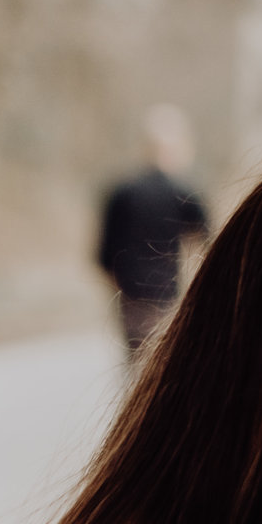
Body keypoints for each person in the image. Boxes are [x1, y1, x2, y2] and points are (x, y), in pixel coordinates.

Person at [96, 102, 211, 355]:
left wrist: (121, 289)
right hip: (168, 300)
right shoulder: (185, 193)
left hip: (130, 300)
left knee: (137, 369)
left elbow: (103, 258)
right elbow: (208, 247)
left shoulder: (121, 193)